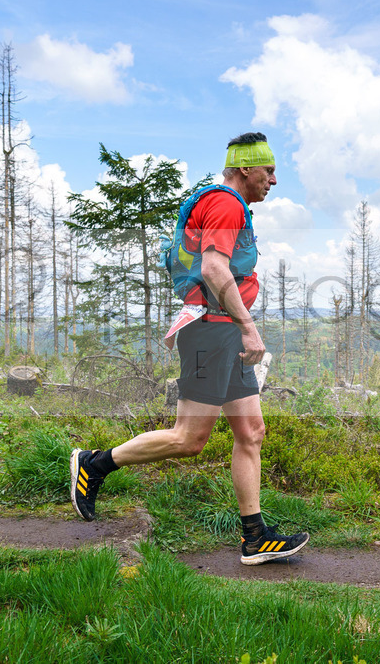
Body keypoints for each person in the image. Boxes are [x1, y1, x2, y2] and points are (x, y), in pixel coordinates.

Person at [70, 132, 309, 565]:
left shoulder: (228, 204)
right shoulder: (225, 204)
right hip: (212, 333)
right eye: (269, 171)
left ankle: (255, 537)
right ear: (245, 168)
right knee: (189, 438)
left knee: (251, 432)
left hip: (223, 332)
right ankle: (94, 464)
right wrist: (248, 327)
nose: (273, 181)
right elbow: (214, 267)